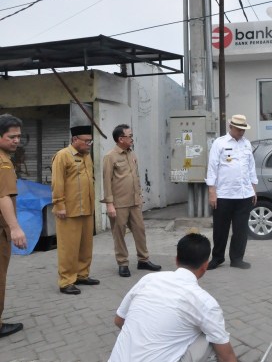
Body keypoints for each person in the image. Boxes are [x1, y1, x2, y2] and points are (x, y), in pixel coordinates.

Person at [109, 233, 237, 362]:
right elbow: (227, 356)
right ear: (205, 266)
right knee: (211, 340)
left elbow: (119, 320)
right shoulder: (204, 302)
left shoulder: (148, 279)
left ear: (176, 260)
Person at [102, 124, 161, 278]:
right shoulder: (110, 157)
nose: (132, 139)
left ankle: (143, 260)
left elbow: (137, 177)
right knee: (119, 234)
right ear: (121, 139)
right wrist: (109, 204)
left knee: (140, 230)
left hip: (135, 202)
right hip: (119, 204)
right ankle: (122, 263)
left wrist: (139, 196)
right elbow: (107, 181)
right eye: (129, 136)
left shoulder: (132, 154)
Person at [51, 125, 99, 295]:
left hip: (86, 208)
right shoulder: (63, 156)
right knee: (68, 248)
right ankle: (66, 281)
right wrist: (59, 204)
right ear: (74, 140)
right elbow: (57, 182)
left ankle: (82, 275)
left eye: (90, 141)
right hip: (68, 210)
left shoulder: (86, 156)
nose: (89, 144)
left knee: (86, 246)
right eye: (86, 141)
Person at [205, 114, 257, 270]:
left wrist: (253, 190)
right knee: (220, 229)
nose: (241, 132)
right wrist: (212, 192)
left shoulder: (247, 144)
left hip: (244, 194)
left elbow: (251, 168)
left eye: (243, 129)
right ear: (231, 127)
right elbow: (212, 168)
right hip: (224, 195)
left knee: (241, 230)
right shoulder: (219, 143)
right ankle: (217, 257)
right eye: (239, 129)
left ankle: (237, 258)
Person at [0, 114, 27, 338]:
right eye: (12, 136)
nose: (16, 140)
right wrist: (15, 228)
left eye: (19, 136)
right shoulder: (3, 162)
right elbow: (3, 197)